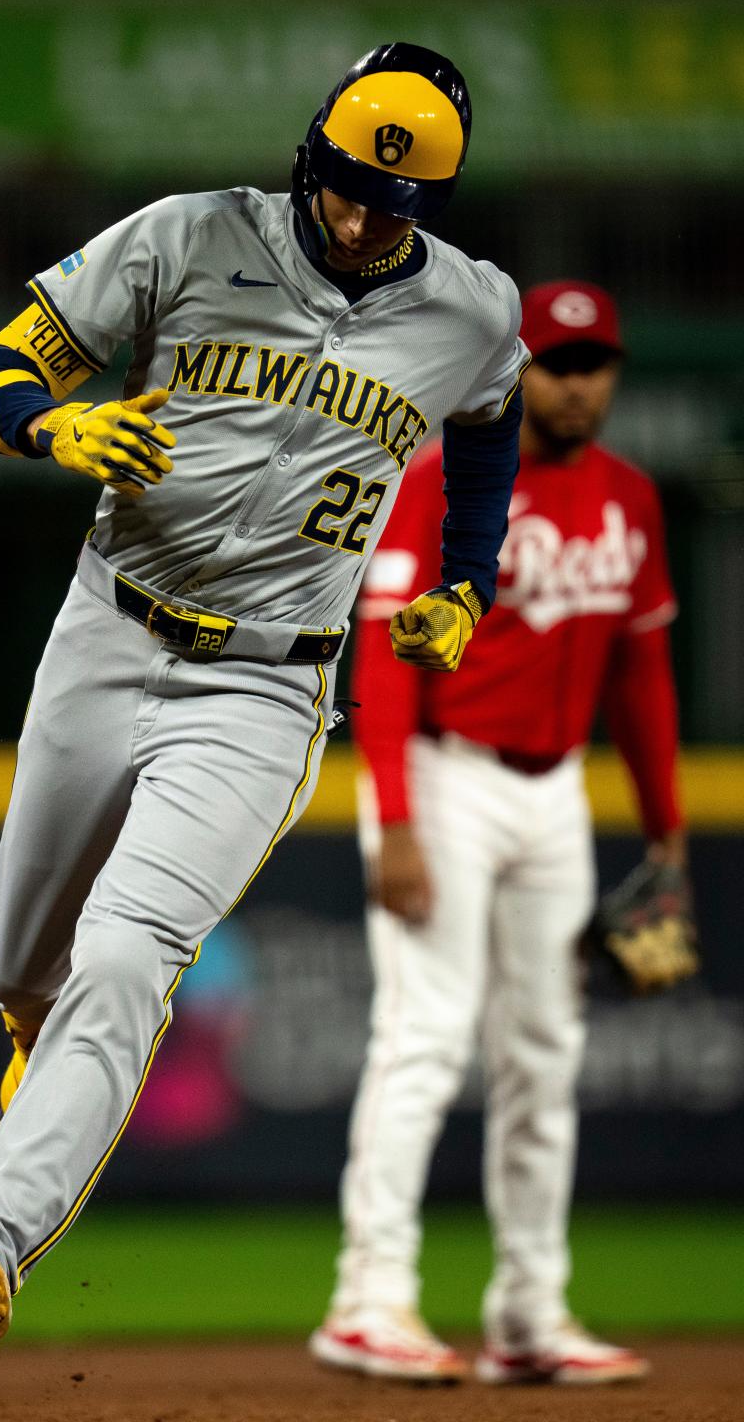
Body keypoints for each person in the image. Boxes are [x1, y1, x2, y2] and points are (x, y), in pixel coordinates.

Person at [0, 42, 529, 1393]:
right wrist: (48, 432)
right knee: (21, 961)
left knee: (128, 960)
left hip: (268, 687)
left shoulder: (473, 311)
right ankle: (41, 1040)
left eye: (396, 205)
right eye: (351, 189)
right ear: (314, 159)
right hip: (106, 633)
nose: (366, 220)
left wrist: (469, 588)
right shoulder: (187, 237)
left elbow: (489, 436)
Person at [310, 280, 684, 1385]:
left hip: (556, 793)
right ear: (520, 371)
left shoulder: (631, 498)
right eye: (559, 364)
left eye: (596, 362)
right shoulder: (446, 482)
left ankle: (531, 1312)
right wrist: (396, 821)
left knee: (544, 1057)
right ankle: (367, 1299)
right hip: (445, 775)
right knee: (423, 1039)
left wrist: (665, 838)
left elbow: (645, 676)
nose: (579, 383)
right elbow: (379, 656)